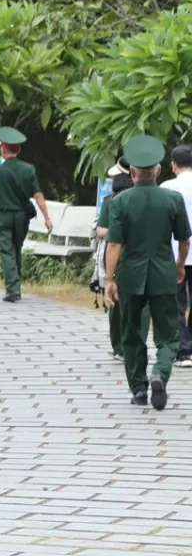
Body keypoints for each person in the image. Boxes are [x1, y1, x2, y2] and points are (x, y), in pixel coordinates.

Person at [105, 135, 192, 411]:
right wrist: (179, 265)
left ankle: (139, 389)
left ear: (131, 172)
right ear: (158, 170)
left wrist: (109, 279)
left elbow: (114, 243)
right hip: (164, 275)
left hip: (130, 277)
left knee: (132, 334)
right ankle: (160, 373)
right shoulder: (172, 199)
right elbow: (184, 240)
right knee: (169, 336)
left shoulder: (120, 202)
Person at [0, 126, 53, 303]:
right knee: (16, 249)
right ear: (18, 149)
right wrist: (47, 218)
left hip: (2, 217)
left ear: (3, 149)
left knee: (7, 251)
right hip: (21, 217)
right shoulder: (29, 170)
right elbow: (38, 196)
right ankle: (15, 284)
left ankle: (13, 290)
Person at [97, 171, 147, 362]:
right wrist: (116, 231)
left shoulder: (141, 201)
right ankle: (118, 346)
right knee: (116, 304)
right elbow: (101, 229)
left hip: (136, 256)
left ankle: (136, 344)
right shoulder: (110, 202)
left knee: (141, 303)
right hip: (116, 256)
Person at [161, 144, 192, 369]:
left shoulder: (166, 188)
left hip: (174, 253)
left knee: (176, 302)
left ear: (173, 165)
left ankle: (183, 350)